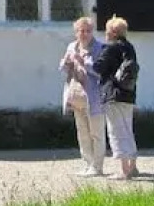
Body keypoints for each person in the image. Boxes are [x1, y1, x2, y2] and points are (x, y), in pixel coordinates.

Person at [93, 15, 140, 180]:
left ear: (113, 32)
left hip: (113, 94)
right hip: (128, 93)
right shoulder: (130, 48)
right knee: (128, 128)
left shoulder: (111, 48)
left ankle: (124, 170)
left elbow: (98, 67)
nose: (105, 34)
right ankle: (133, 166)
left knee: (116, 131)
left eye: (107, 30)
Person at [59, 16, 107, 177]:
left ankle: (98, 167)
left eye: (88, 31)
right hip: (76, 96)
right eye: (81, 31)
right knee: (82, 133)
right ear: (76, 32)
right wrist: (66, 63)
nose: (85, 34)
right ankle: (88, 164)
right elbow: (64, 69)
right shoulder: (72, 46)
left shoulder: (100, 48)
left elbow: (101, 72)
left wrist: (84, 62)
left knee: (96, 133)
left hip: (93, 97)